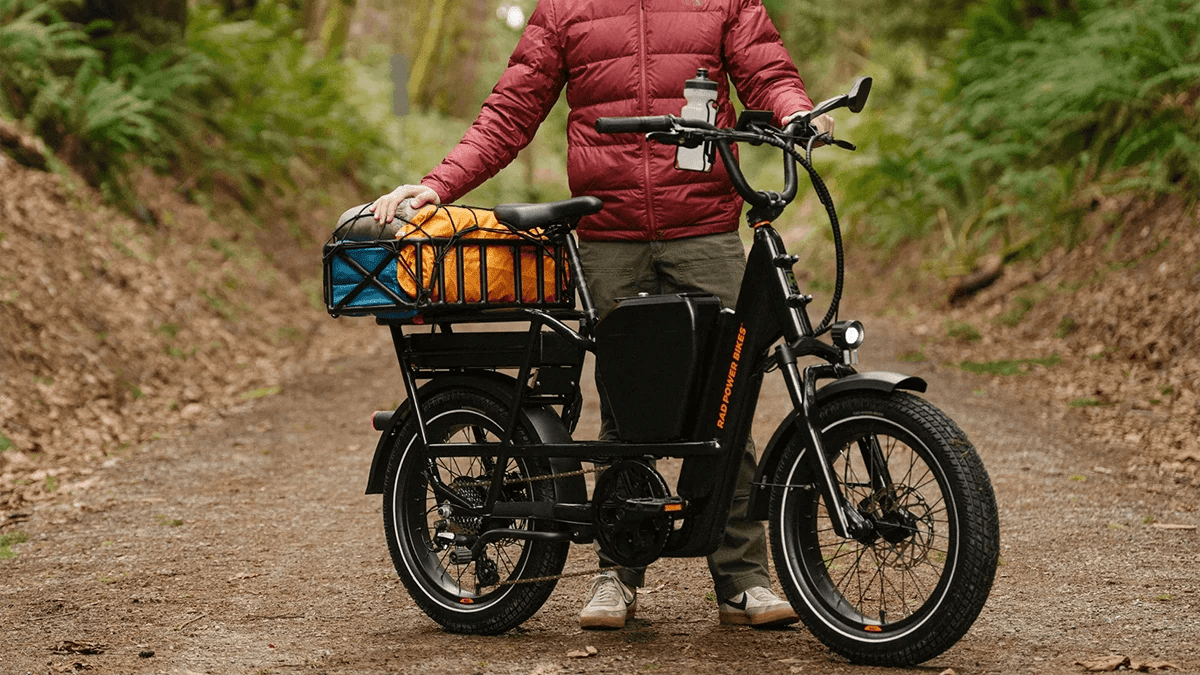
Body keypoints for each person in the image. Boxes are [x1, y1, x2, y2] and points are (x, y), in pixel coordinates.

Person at [371, 0, 833, 630]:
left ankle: (743, 576)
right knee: (624, 403)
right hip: (609, 235)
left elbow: (765, 70)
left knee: (731, 395)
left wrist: (794, 111)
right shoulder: (567, 8)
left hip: (707, 229)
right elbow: (512, 110)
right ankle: (618, 573)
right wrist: (440, 184)